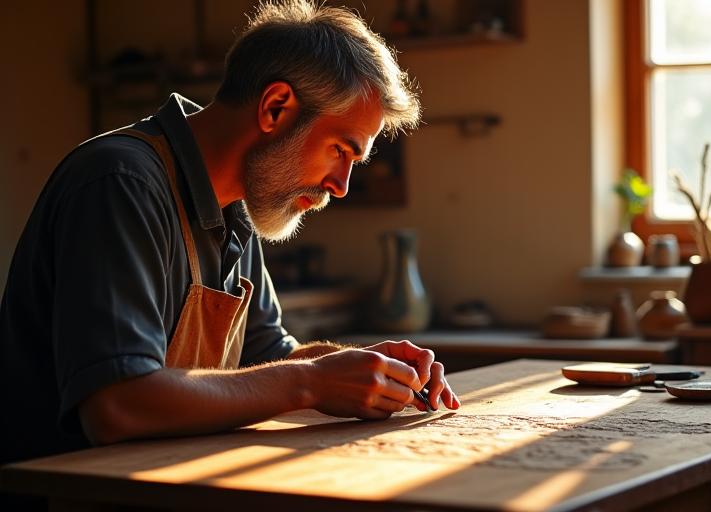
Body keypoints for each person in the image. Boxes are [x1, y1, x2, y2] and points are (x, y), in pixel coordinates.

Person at [0, 0, 460, 477]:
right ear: (275, 108)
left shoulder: (236, 203)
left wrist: (362, 367)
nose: (340, 185)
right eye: (339, 150)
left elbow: (268, 361)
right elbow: (118, 404)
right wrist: (311, 381)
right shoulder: (121, 182)